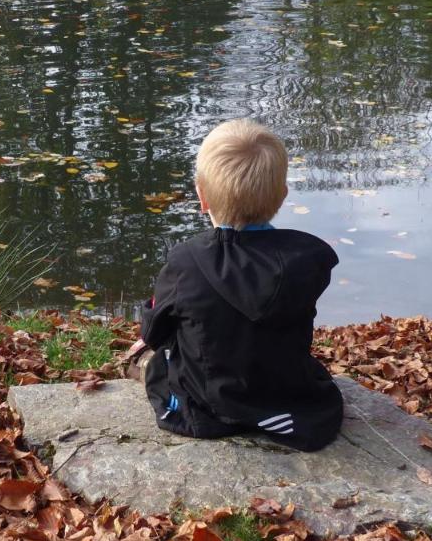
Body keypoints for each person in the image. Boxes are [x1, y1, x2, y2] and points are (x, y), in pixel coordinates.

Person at [127, 119, 343, 451]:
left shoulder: (186, 261)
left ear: (202, 196)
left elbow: (155, 331)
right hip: (287, 397)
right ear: (282, 196)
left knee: (153, 359)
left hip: (209, 403)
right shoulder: (307, 260)